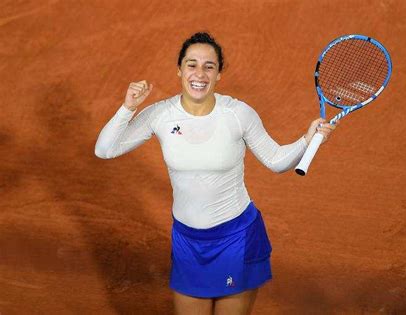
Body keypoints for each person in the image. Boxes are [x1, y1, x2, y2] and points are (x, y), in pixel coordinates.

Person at [95, 32, 336, 315]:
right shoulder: (160, 114)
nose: (200, 73)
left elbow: (275, 161)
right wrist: (128, 108)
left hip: (236, 238)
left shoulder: (237, 114)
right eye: (191, 64)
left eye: (209, 66)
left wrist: (306, 139)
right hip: (187, 240)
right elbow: (105, 149)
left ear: (219, 74)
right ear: (179, 70)